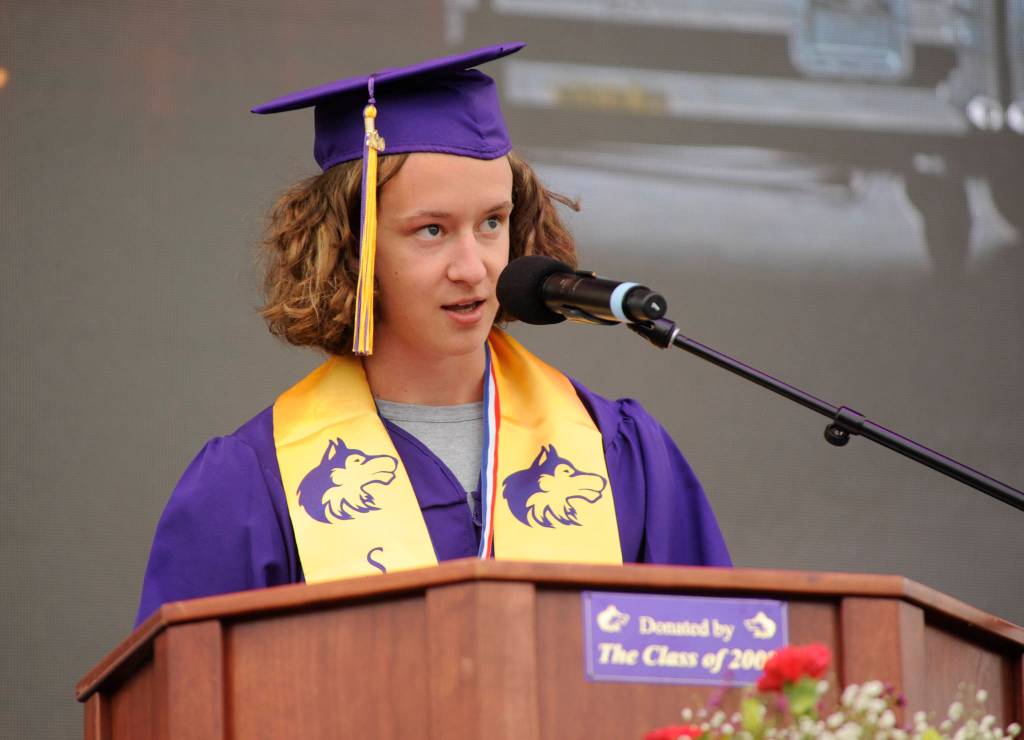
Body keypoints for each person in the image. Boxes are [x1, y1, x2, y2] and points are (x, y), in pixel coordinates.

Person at [135, 43, 730, 627]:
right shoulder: (252, 482)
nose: (472, 267)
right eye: (431, 231)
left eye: (492, 222)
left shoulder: (618, 452)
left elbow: (714, 676)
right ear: (351, 248)